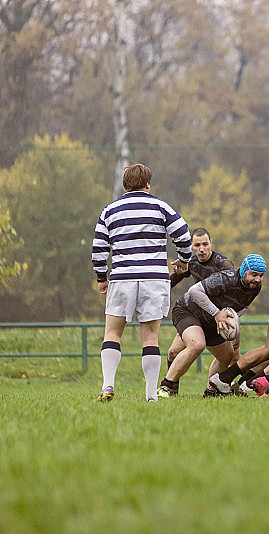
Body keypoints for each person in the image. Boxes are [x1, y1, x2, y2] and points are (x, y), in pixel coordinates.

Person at [92, 163, 192, 402]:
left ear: (125, 184)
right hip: (154, 280)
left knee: (112, 333)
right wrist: (183, 260)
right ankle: (150, 396)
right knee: (150, 338)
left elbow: (98, 249)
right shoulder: (160, 206)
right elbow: (184, 236)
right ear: (148, 183)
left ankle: (107, 386)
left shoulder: (110, 210)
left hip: (122, 279)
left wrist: (101, 277)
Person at [157, 254, 266, 397]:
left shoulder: (255, 287)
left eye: (261, 275)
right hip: (188, 311)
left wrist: (232, 318)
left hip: (212, 321)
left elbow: (243, 306)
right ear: (244, 270)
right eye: (254, 274)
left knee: (227, 356)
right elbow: (194, 291)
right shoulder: (226, 279)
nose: (257, 279)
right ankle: (166, 386)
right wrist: (216, 313)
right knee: (197, 345)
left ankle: (211, 391)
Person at [163, 227, 236, 395]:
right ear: (192, 246)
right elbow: (175, 279)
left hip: (216, 317)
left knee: (229, 356)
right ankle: (170, 388)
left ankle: (214, 390)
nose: (201, 249)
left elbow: (233, 292)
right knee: (174, 351)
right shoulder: (192, 261)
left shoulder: (223, 264)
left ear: (211, 243)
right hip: (194, 314)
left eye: (205, 244)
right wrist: (158, 290)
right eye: (197, 245)